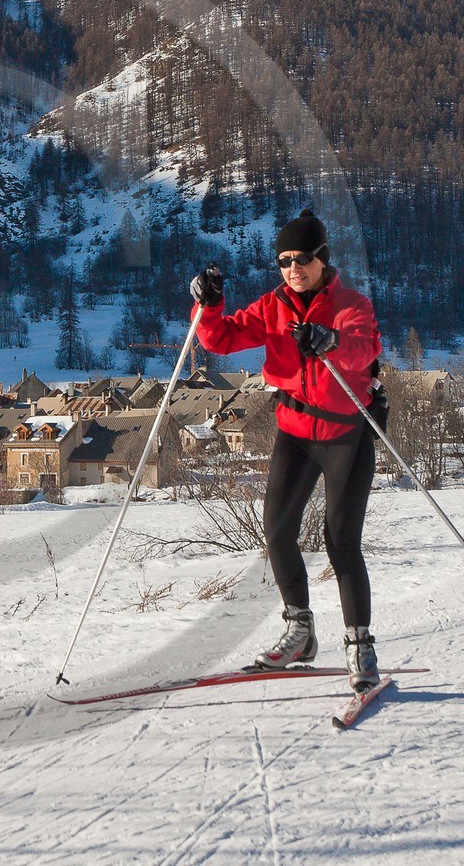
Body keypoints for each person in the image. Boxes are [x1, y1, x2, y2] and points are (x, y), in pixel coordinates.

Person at [188, 208, 384, 691]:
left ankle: (361, 647)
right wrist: (208, 306)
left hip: (345, 435)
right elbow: (221, 339)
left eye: (300, 259)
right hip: (295, 430)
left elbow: (364, 346)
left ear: (322, 259)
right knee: (276, 532)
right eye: (283, 260)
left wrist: (329, 340)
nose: (292, 268)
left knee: (341, 542)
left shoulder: (350, 304)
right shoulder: (273, 306)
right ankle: (300, 632)